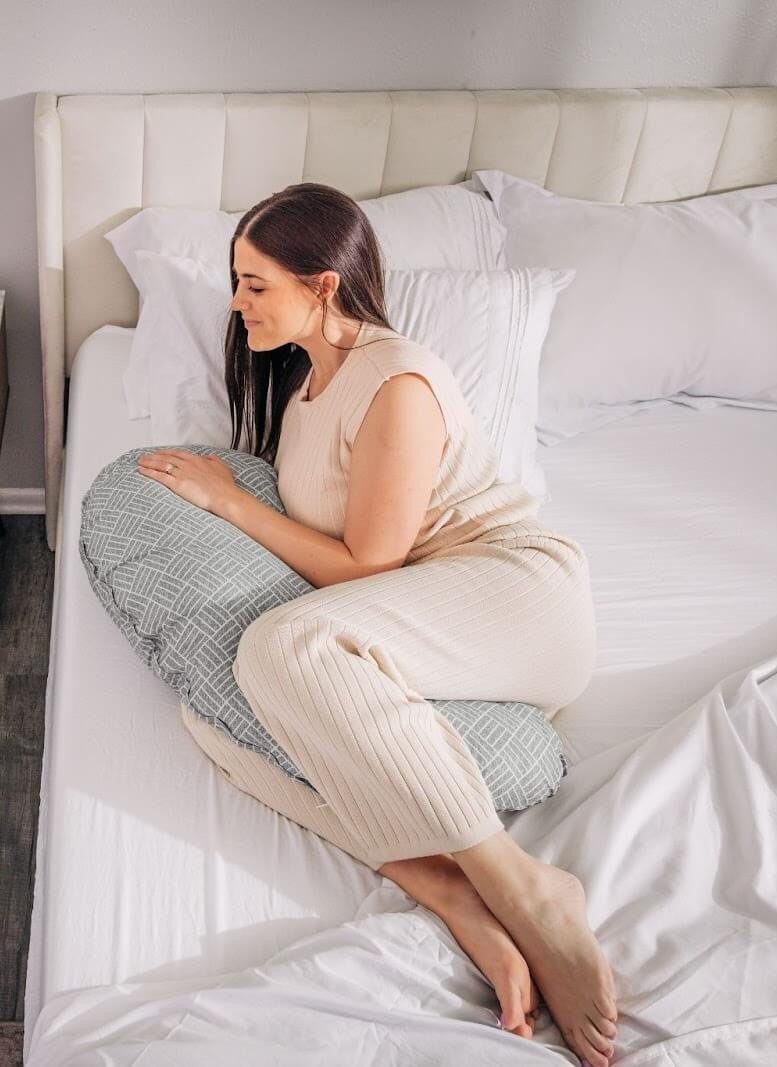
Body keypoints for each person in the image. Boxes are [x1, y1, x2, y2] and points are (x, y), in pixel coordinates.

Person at [136, 183, 617, 1067]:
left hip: (517, 596)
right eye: (236, 283)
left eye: (255, 284)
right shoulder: (305, 390)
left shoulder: (397, 381)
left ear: (322, 285)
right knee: (214, 718)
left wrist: (232, 502)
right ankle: (447, 887)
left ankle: (526, 886)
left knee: (282, 646)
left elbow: (369, 566)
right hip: (430, 622)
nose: (237, 305)